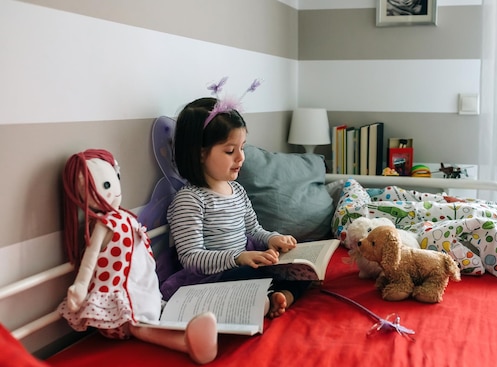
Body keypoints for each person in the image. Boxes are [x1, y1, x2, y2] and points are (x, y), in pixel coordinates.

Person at [58, 149, 218, 364]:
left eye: (115, 179)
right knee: (139, 327)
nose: (114, 188)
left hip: (142, 295)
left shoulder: (127, 218)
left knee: (164, 310)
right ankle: (186, 343)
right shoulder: (103, 225)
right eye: (106, 185)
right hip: (117, 308)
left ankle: (226, 320)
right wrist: (80, 287)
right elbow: (90, 259)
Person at [167, 96, 310, 318]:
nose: (241, 157)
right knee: (246, 276)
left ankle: (279, 297)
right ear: (201, 153)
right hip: (212, 278)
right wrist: (237, 257)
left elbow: (253, 230)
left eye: (242, 148)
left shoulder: (237, 191)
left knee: (301, 272)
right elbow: (191, 257)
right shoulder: (190, 200)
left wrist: (273, 239)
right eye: (229, 151)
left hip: (243, 265)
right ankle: (268, 298)